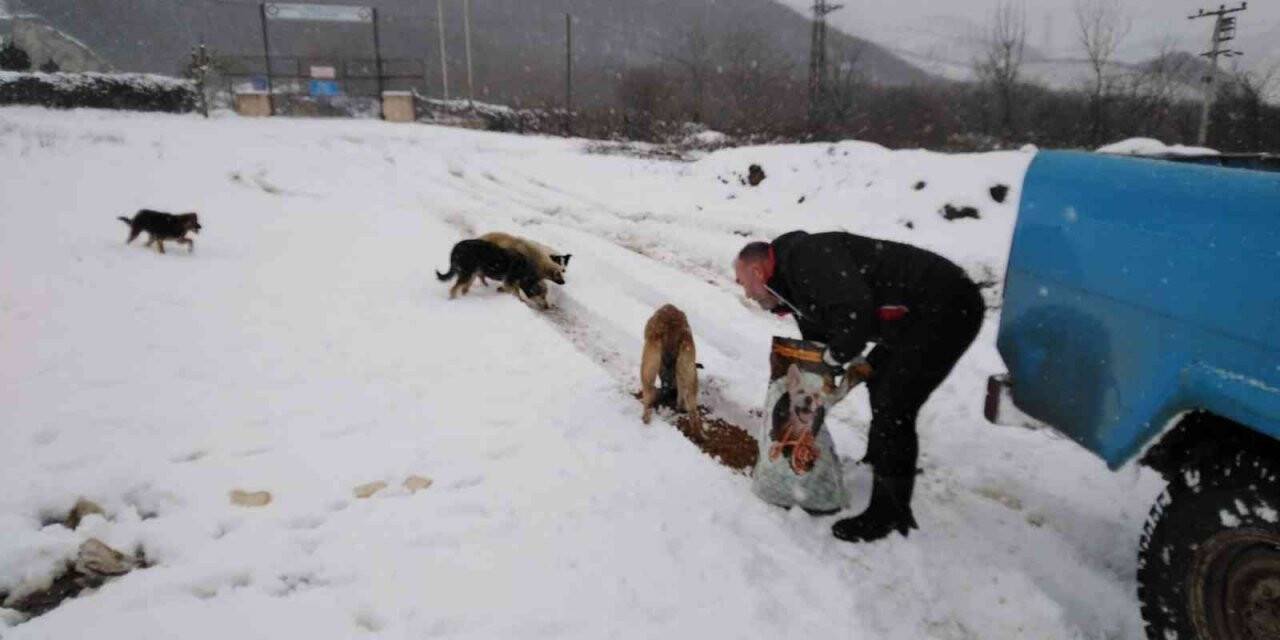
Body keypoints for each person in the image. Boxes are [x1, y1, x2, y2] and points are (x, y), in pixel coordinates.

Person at [734, 231, 984, 542]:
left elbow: (856, 309)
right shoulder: (792, 286)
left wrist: (837, 355)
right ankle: (880, 459)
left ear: (757, 271)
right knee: (877, 377)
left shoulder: (806, 258)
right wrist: (817, 371)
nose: (746, 294)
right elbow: (820, 337)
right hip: (914, 316)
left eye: (742, 283)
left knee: (895, 404)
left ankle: (889, 512)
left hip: (947, 306)